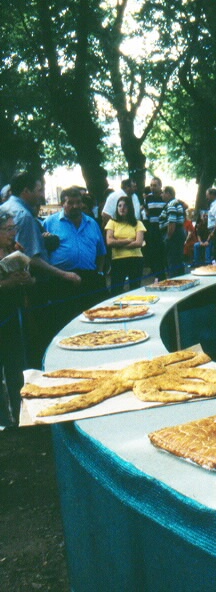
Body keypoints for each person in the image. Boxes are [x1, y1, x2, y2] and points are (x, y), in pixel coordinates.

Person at [0, 171, 81, 367]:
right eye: (39, 189)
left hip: (18, 295)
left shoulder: (7, 208)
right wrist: (64, 274)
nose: (42, 194)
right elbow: (33, 260)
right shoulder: (23, 216)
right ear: (26, 191)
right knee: (28, 348)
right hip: (19, 301)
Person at [43, 187, 108, 325]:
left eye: (78, 202)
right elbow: (41, 254)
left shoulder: (92, 223)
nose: (75, 206)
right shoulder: (49, 223)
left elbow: (101, 251)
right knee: (65, 322)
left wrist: (100, 272)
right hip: (61, 282)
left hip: (90, 280)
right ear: (62, 204)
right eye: (70, 203)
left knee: (95, 320)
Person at [0, 209, 35, 427]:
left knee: (16, 366)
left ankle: (19, 416)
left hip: (14, 316)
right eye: (9, 229)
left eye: (15, 228)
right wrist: (7, 284)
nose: (13, 232)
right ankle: (4, 421)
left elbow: (31, 281)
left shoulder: (15, 249)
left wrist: (26, 278)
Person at [105, 195, 146, 295]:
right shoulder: (112, 222)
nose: (122, 208)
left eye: (125, 206)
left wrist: (118, 243)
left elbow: (138, 243)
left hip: (135, 258)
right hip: (118, 259)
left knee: (135, 290)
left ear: (130, 208)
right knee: (116, 290)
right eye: (119, 206)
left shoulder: (138, 223)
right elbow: (109, 242)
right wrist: (127, 240)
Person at [142, 177, 167, 279]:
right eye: (151, 185)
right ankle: (158, 275)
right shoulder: (148, 198)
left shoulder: (164, 197)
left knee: (163, 252)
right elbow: (146, 211)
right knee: (154, 252)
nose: (152, 187)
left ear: (160, 186)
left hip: (162, 229)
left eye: (155, 185)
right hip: (152, 229)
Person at [159, 185, 186, 277]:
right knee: (178, 260)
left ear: (168, 193)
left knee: (173, 260)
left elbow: (172, 223)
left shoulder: (171, 205)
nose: (161, 195)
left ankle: (175, 280)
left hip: (174, 235)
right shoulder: (175, 203)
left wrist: (168, 237)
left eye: (162, 192)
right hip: (178, 234)